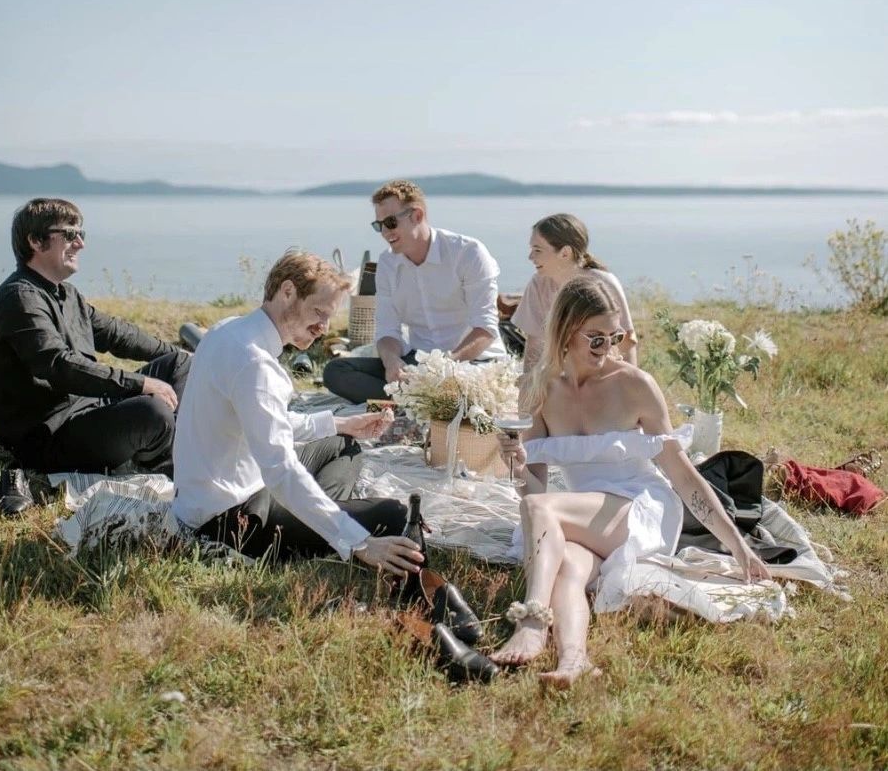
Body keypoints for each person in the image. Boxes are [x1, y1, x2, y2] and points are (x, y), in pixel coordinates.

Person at [492, 274, 771, 687]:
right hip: (584, 512)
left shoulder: (635, 385)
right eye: (597, 338)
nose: (609, 349)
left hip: (641, 504)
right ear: (567, 332)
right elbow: (531, 487)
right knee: (567, 565)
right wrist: (516, 465)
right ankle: (574, 660)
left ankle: (532, 621)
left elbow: (683, 475)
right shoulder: (538, 389)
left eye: (615, 336)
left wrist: (739, 546)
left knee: (541, 508)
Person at [173, 249, 423, 575]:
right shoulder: (256, 364)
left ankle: (318, 519)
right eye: (319, 312)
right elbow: (280, 470)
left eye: (329, 316)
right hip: (232, 520)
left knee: (343, 444)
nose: (324, 326)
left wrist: (342, 423)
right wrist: (360, 543)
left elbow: (261, 419)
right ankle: (326, 526)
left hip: (215, 494)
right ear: (287, 292)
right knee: (394, 513)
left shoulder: (227, 329)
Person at [0, 198, 192, 474]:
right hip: (49, 435)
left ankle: (173, 446)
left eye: (81, 234)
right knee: (154, 413)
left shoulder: (67, 295)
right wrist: (140, 383)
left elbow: (118, 335)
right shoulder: (19, 298)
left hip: (86, 409)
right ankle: (174, 467)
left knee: (178, 363)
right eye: (69, 235)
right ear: (35, 240)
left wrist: (179, 353)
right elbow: (60, 365)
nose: (80, 243)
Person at [322, 180, 506, 404]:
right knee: (336, 372)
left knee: (467, 389)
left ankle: (412, 402)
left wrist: (446, 366)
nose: (385, 232)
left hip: (472, 363)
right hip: (418, 365)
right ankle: (423, 402)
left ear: (417, 216)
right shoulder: (387, 264)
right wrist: (392, 363)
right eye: (378, 225)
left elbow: (485, 328)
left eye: (390, 222)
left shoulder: (468, 253)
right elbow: (387, 331)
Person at [512, 214, 637, 387]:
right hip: (561, 385)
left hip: (605, 382)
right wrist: (529, 389)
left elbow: (626, 343)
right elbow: (535, 345)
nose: (530, 257)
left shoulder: (603, 283)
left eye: (537, 250)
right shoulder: (538, 284)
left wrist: (628, 392)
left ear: (565, 253)